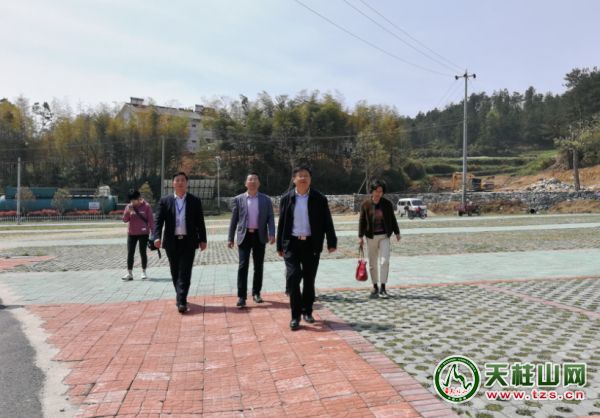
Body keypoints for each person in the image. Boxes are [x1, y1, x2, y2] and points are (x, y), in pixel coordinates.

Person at [277, 165, 337, 330]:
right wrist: (280, 245)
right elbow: (282, 223)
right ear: (294, 179)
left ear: (310, 179)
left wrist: (331, 241)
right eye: (300, 175)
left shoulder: (319, 198)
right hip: (292, 244)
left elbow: (327, 221)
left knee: (309, 280)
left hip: (311, 244)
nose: (303, 178)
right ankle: (295, 316)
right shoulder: (287, 198)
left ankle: (307, 311)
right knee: (294, 277)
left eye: (306, 176)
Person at [153, 172, 207, 314]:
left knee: (185, 271)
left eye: (183, 180)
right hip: (171, 241)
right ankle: (180, 296)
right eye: (177, 180)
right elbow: (158, 221)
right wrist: (156, 237)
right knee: (175, 271)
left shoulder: (194, 200)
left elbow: (200, 222)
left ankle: (181, 300)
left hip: (189, 241)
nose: (180, 182)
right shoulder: (165, 201)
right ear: (173, 183)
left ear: (186, 183)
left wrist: (203, 239)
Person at [228, 172, 276, 308]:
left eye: (255, 179)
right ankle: (241, 297)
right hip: (244, 236)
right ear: (245, 183)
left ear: (259, 183)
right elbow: (234, 220)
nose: (253, 181)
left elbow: (270, 218)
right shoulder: (238, 199)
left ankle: (256, 293)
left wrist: (272, 233)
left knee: (258, 266)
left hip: (260, 236)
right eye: (250, 179)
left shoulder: (266, 200)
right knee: (243, 266)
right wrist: (230, 238)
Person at [358, 179, 400, 298]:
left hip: (384, 236)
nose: (378, 193)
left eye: (381, 191)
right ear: (372, 191)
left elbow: (392, 218)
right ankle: (375, 286)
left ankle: (383, 287)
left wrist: (397, 232)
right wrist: (360, 237)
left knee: (384, 261)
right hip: (371, 237)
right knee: (372, 263)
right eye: (376, 191)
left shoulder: (387, 204)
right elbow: (362, 221)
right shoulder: (365, 204)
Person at [121, 190, 154, 280]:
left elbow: (151, 221)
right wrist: (128, 212)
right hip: (132, 233)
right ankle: (129, 273)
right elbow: (124, 220)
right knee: (130, 253)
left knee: (142, 252)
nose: (132, 202)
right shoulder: (128, 206)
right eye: (131, 200)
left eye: (134, 200)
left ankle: (143, 272)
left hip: (143, 233)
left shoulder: (146, 206)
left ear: (139, 198)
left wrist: (154, 234)